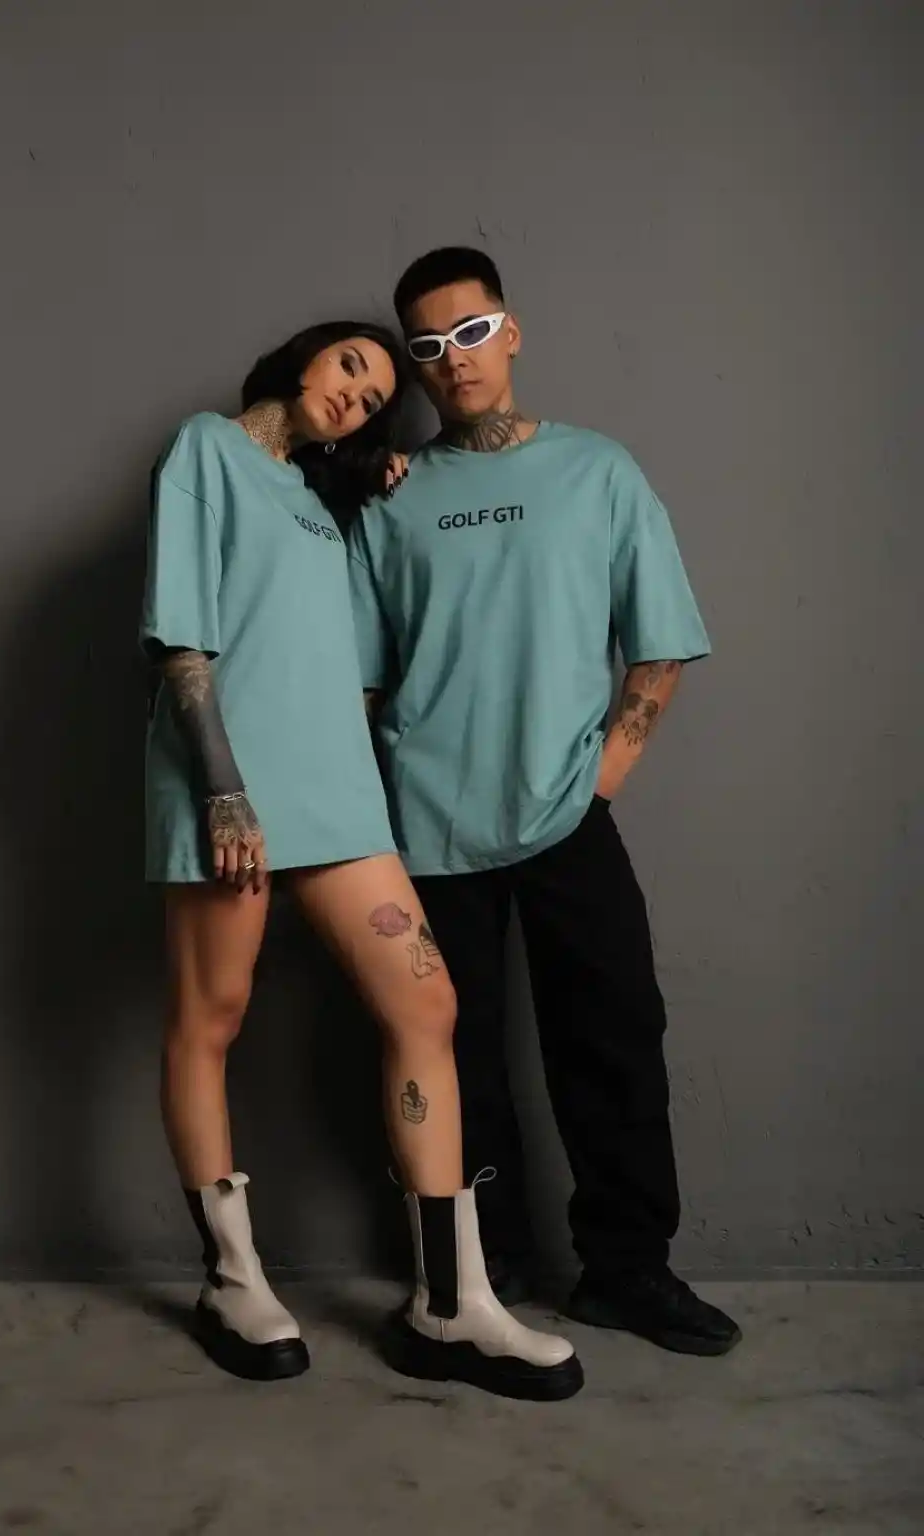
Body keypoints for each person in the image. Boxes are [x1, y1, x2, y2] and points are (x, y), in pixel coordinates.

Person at [140, 317, 582, 1401]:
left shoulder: (319, 499)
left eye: (377, 395)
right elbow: (183, 636)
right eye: (349, 366)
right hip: (230, 783)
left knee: (425, 1005)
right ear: (302, 357)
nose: (356, 394)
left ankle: (450, 1302)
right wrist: (223, 787)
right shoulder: (208, 447)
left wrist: (365, 484)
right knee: (212, 1017)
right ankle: (232, 1279)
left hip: (336, 791)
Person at [348, 251, 741, 1357]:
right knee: (455, 1057)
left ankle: (627, 1270)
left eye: (471, 333)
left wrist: (601, 777)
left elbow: (660, 644)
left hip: (567, 813)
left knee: (614, 1036)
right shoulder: (392, 495)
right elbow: (362, 676)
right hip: (425, 823)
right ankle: (488, 1267)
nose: (454, 361)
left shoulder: (597, 471)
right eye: (428, 347)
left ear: (510, 332)